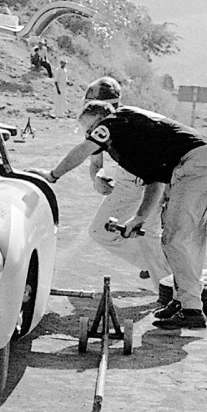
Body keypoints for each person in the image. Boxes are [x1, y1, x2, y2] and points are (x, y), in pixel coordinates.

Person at [28, 100, 207, 329]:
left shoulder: (115, 121)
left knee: (176, 239)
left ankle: (191, 309)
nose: (89, 135)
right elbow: (155, 182)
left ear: (99, 121)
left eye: (89, 129)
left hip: (198, 165)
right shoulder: (132, 139)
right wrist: (139, 219)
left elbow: (84, 151)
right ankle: (182, 300)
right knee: (186, 237)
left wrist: (53, 175)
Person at [81, 77, 172, 286]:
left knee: (148, 236)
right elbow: (96, 164)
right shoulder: (94, 123)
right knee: (99, 231)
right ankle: (155, 266)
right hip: (124, 181)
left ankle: (168, 290)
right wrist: (97, 178)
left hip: (151, 181)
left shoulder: (132, 119)